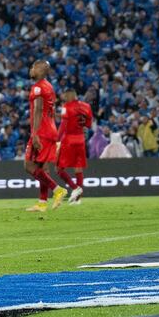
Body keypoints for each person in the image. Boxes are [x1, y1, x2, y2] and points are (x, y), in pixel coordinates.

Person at [24, 60, 67, 212]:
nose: (31, 69)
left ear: (40, 69)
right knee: (42, 167)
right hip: (50, 130)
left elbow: (38, 110)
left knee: (29, 166)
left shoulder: (38, 88)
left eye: (33, 67)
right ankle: (42, 203)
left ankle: (57, 190)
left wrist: (35, 134)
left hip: (41, 131)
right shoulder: (49, 85)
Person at [55, 89, 93, 205]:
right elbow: (89, 124)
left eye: (65, 96)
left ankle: (75, 188)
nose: (64, 98)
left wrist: (56, 139)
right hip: (81, 139)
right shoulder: (86, 106)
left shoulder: (66, 106)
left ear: (69, 96)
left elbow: (63, 125)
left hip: (69, 140)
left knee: (59, 169)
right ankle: (78, 199)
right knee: (78, 168)